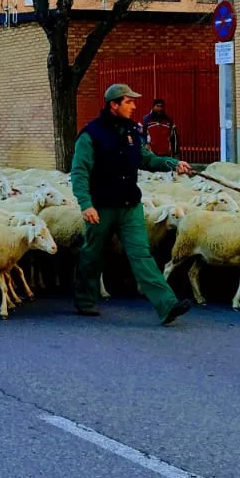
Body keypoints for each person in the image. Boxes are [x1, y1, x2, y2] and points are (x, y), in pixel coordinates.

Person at [70, 84, 194, 325]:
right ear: (113, 105)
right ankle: (85, 299)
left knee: (141, 255)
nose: (134, 106)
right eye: (128, 102)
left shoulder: (132, 133)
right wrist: (86, 204)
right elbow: (79, 171)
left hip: (130, 206)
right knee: (92, 253)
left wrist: (172, 163)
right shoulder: (90, 135)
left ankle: (167, 305)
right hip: (102, 207)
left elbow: (146, 159)